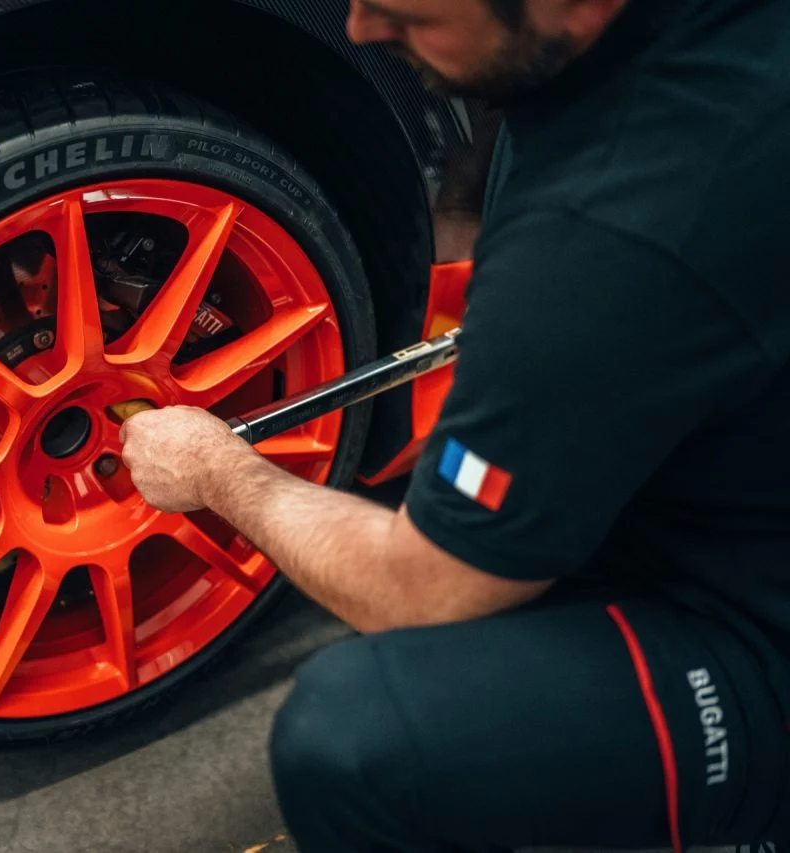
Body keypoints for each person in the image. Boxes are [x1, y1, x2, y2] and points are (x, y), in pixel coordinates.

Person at [118, 0, 790, 850]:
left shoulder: (607, 237)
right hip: (730, 431)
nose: (360, 30)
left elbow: (424, 588)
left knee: (357, 737)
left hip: (755, 630)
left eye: (408, 14)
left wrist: (217, 470)